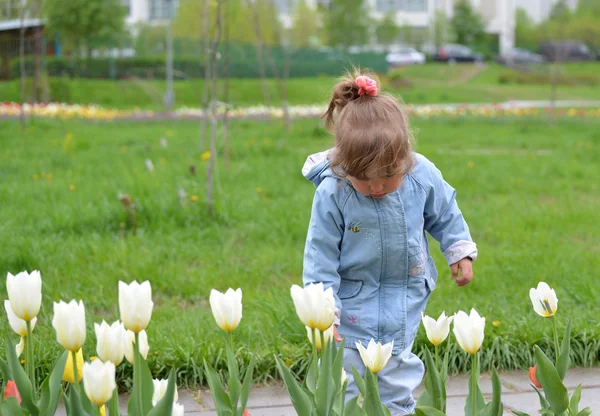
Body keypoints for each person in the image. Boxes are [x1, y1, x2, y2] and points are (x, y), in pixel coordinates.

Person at [301, 70, 477, 415]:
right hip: (351, 306)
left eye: (388, 176)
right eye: (363, 180)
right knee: (345, 384)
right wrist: (324, 313)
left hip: (404, 297)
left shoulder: (421, 174)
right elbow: (319, 255)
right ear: (342, 165)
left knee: (397, 381)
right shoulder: (333, 192)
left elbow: (445, 212)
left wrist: (459, 250)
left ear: (404, 156)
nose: (377, 187)